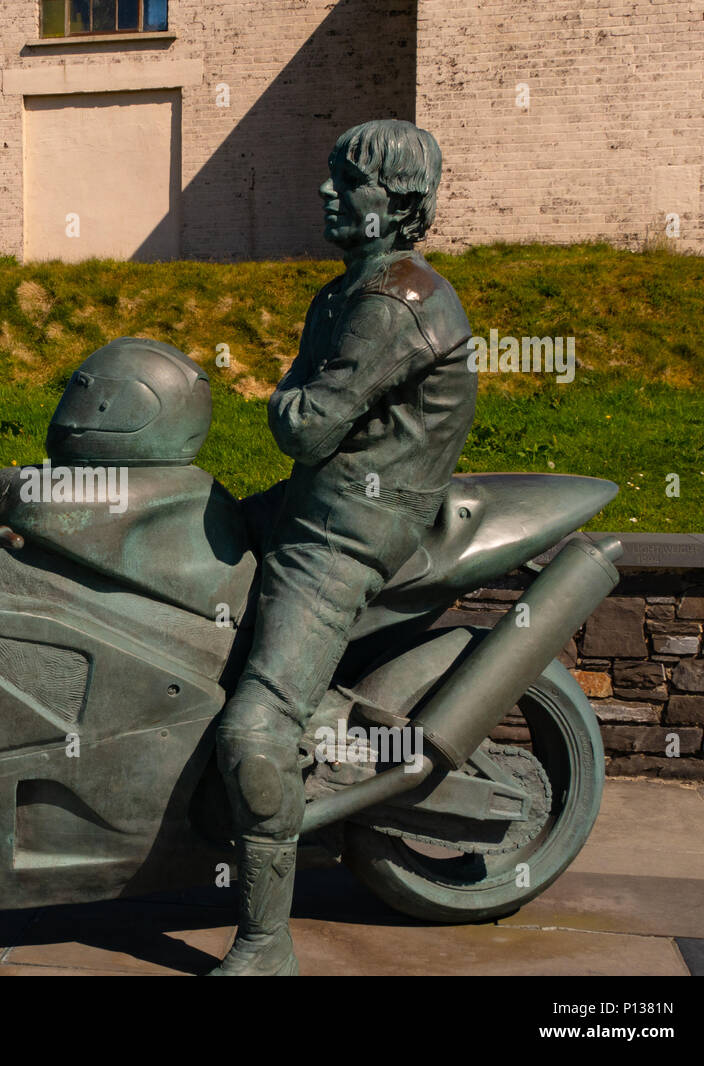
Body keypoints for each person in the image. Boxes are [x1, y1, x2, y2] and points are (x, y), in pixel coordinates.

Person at [211, 119, 478, 976]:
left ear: (395, 205)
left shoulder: (394, 304)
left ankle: (265, 941)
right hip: (310, 503)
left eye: (345, 182)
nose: (327, 192)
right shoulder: (341, 294)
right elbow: (305, 424)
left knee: (255, 728)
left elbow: (304, 424)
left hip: (342, 533)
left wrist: (289, 402)